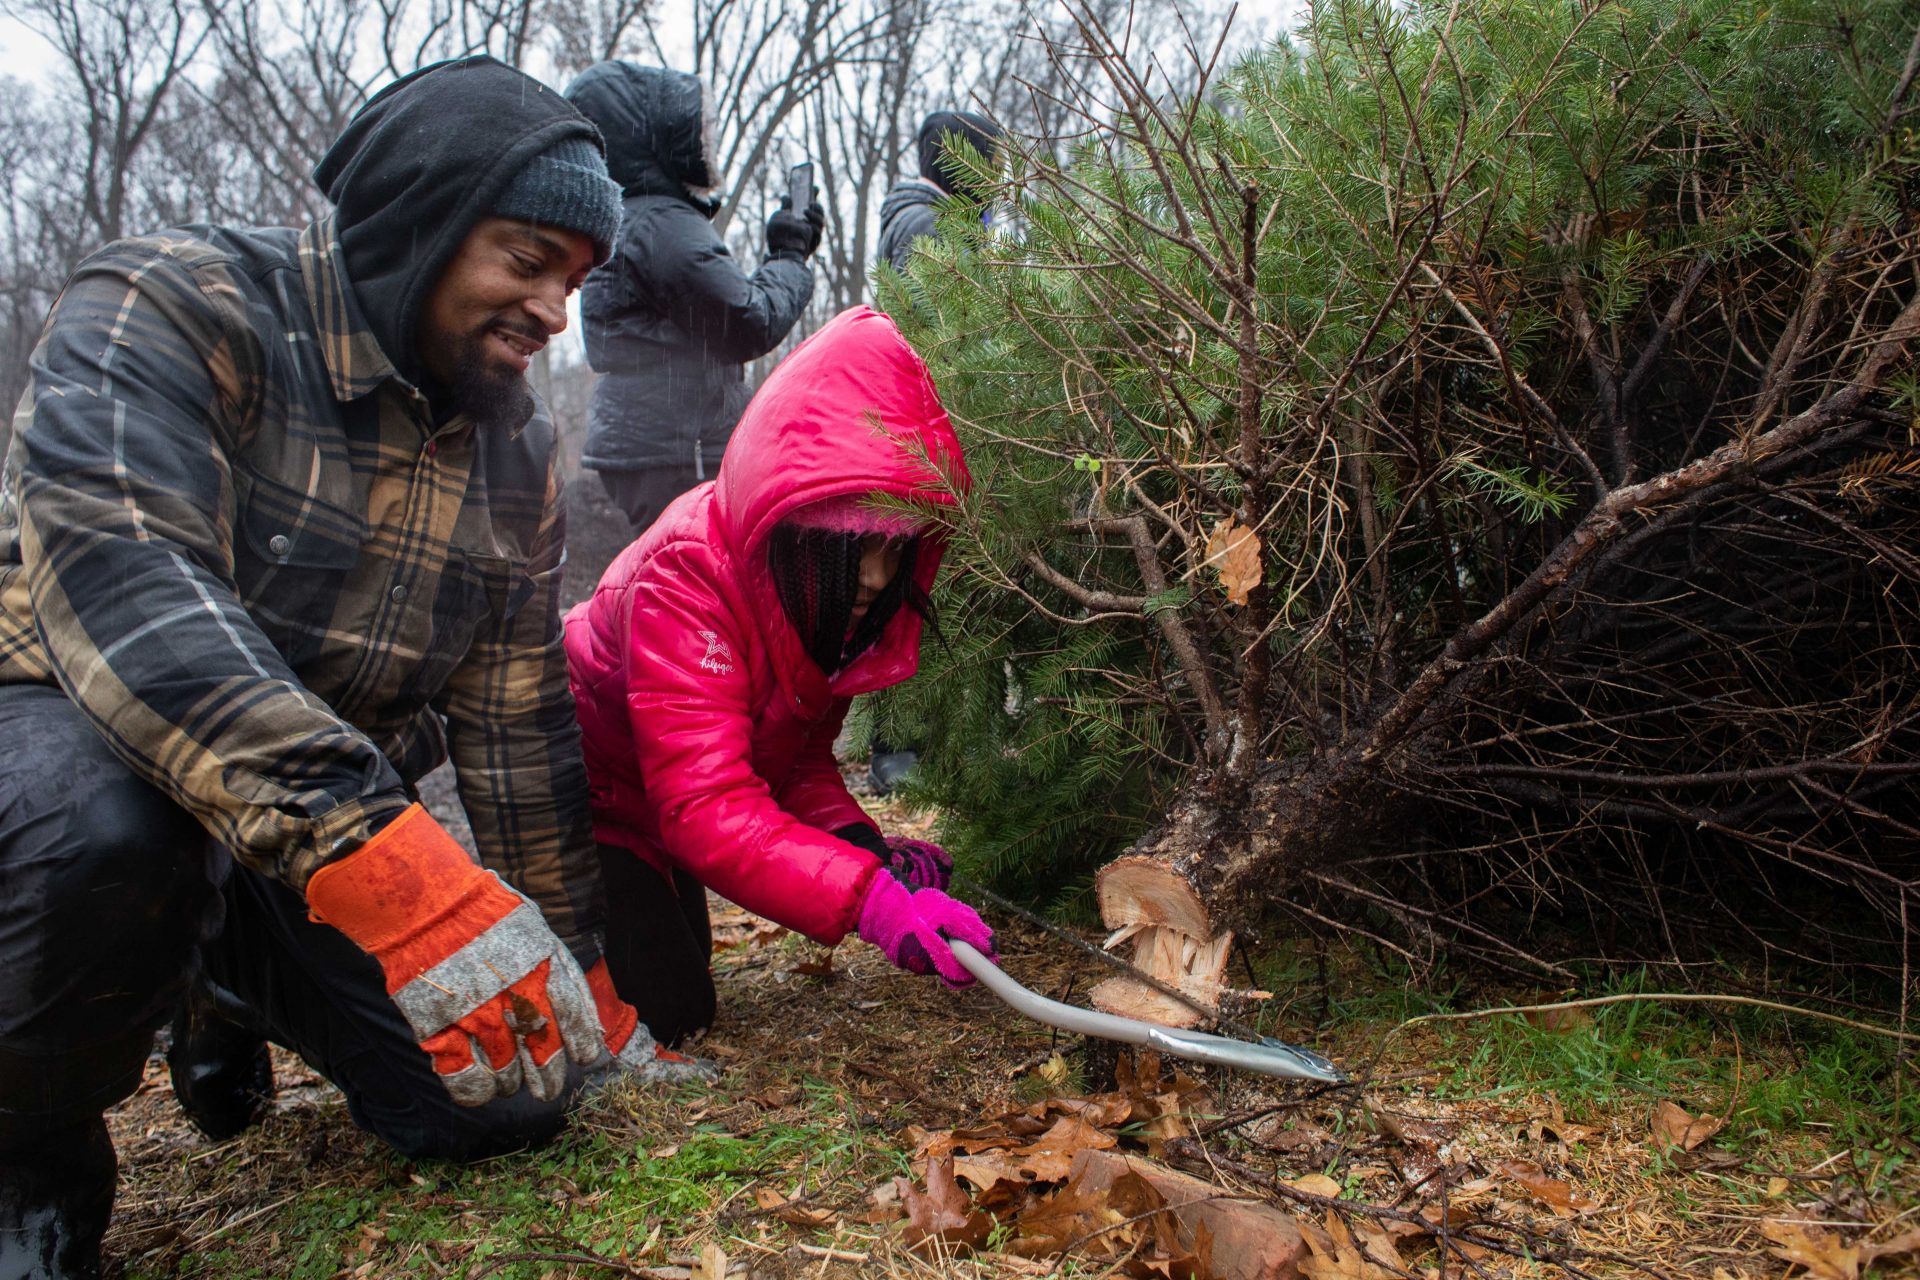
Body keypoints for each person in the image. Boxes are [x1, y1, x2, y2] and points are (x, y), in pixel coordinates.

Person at [0, 56, 706, 1280]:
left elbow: (517, 721)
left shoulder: (516, 448)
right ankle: (29, 1164)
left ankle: (219, 972)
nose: (555, 309)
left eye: (577, 282)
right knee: (109, 835)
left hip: (309, 833)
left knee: (510, 1094)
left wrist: (581, 974)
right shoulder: (170, 304)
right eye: (528, 259)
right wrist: (396, 873)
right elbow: (133, 588)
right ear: (418, 221)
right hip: (77, 747)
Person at [563, 306, 994, 1043]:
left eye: (900, 548)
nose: (877, 576)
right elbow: (705, 807)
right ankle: (548, 925)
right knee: (669, 1011)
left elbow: (794, 765)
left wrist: (869, 856)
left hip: (665, 800)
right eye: (859, 544)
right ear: (801, 518)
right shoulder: (688, 578)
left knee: (676, 976)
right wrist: (873, 904)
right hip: (592, 798)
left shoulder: (814, 599)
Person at [564, 61, 825, 534]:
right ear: (659, 135)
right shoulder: (660, 222)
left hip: (653, 441)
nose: (705, 140)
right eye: (697, 128)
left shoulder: (632, 216)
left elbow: (709, 312)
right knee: (689, 589)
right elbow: (746, 320)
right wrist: (789, 255)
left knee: (664, 580)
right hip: (681, 447)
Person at [875, 110, 1004, 273]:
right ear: (961, 165)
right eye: (993, 170)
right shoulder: (928, 225)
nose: (997, 184)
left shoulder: (937, 221)